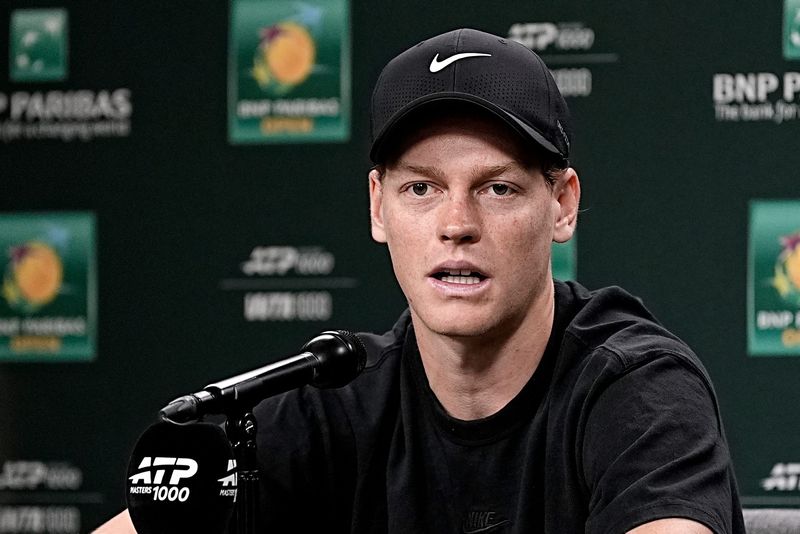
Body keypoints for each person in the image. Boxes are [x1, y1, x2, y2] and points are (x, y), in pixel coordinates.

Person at [95, 28, 744, 533]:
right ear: (379, 207)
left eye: (497, 187)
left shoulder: (636, 390)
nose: (456, 224)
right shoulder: (333, 408)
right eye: (421, 188)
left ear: (563, 205)